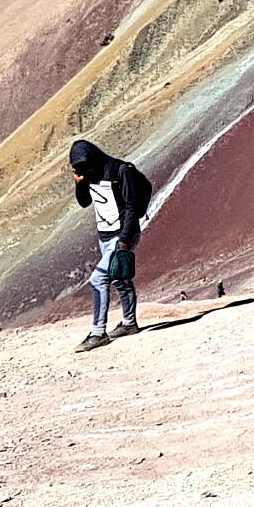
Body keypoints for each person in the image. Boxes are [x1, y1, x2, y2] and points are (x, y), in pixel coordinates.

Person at [69, 139, 151, 352]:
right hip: (104, 236)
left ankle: (98, 333)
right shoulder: (88, 173)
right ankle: (130, 323)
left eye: (85, 168)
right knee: (119, 278)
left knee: (98, 279)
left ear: (93, 159)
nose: (85, 172)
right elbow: (84, 202)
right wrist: (79, 184)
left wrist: (124, 239)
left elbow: (131, 205)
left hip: (122, 234)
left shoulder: (119, 170)